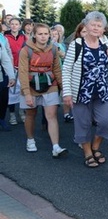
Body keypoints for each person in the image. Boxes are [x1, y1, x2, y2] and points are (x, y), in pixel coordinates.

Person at [62, 12, 108, 168]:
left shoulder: (105, 43)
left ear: (103, 29)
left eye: (99, 26)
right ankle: (88, 153)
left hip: (103, 91)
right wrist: (67, 93)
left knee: (105, 121)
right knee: (83, 123)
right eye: (93, 25)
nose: (96, 28)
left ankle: (96, 147)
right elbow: (66, 70)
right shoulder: (77, 44)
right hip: (81, 91)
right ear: (86, 26)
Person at [18, 23, 67, 157]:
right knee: (31, 114)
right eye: (40, 34)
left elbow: (57, 69)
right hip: (30, 85)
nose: (43, 36)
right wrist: (26, 94)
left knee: (51, 115)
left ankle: (56, 146)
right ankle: (30, 140)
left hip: (50, 85)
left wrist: (64, 89)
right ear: (34, 35)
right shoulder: (26, 50)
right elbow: (22, 72)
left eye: (46, 34)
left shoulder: (53, 49)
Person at [5, 17, 27, 125]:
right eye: (12, 24)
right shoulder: (5, 37)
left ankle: (22, 112)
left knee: (22, 91)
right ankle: (12, 114)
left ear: (19, 25)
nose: (14, 26)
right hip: (10, 67)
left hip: (22, 67)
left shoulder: (23, 37)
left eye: (16, 24)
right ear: (9, 25)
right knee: (11, 92)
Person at [0, 39, 16, 130]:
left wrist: (11, 76)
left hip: (1, 77)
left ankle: (1, 118)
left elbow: (5, 60)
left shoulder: (0, 44)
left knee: (3, 98)